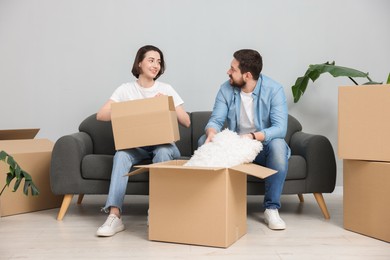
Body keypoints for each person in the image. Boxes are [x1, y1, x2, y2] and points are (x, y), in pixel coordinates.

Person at [95, 45, 191, 237]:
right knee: (121, 155)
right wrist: (132, 108)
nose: (156, 65)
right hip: (136, 146)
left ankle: (157, 211)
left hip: (164, 145)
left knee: (163, 152)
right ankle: (115, 216)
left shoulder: (166, 89)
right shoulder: (126, 90)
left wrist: (167, 102)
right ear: (139, 63)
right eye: (151, 60)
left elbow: (186, 122)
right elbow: (101, 115)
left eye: (159, 62)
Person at [198, 49, 290, 230]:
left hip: (262, 147)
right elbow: (216, 120)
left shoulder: (274, 89)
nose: (228, 72)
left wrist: (252, 136)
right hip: (235, 147)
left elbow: (280, 128)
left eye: (233, 69)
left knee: (279, 146)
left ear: (247, 75)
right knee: (203, 142)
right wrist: (211, 132)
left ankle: (271, 208)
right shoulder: (226, 88)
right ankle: (212, 204)